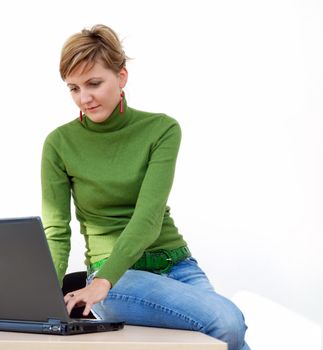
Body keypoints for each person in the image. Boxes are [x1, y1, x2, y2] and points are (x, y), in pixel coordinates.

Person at [41, 24, 250, 350]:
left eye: (94, 83)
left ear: (121, 77)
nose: (84, 98)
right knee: (226, 323)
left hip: (178, 266)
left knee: (223, 341)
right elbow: (57, 230)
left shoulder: (161, 130)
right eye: (73, 88)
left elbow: (149, 217)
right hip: (115, 279)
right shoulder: (59, 144)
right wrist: (44, 305)